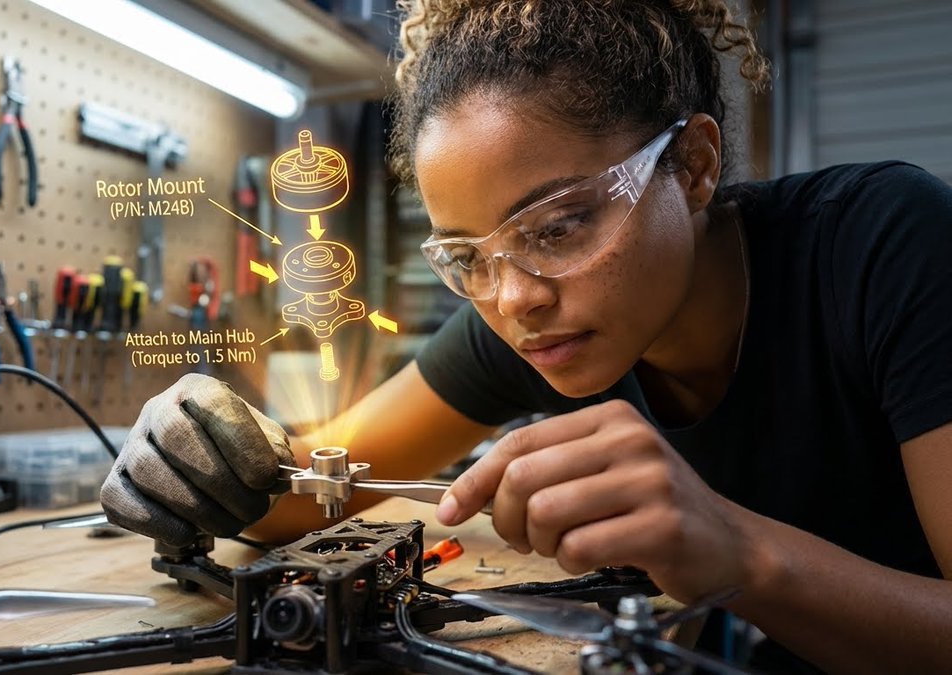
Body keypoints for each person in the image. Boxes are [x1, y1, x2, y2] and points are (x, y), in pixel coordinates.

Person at [100, 1, 952, 671]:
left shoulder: (884, 243)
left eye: (558, 227)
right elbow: (316, 485)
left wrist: (741, 551)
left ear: (691, 166)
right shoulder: (529, 325)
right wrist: (198, 455)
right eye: (467, 256)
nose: (512, 300)